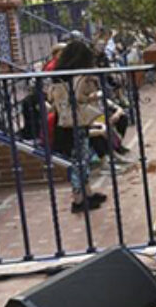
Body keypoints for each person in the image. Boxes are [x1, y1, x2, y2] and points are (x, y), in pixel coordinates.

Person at [45, 41, 113, 213]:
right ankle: (79, 199)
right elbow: (80, 98)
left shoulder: (58, 75)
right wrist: (95, 95)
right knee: (79, 161)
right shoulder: (77, 76)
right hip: (74, 121)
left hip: (66, 121)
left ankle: (86, 193)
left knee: (81, 158)